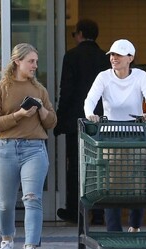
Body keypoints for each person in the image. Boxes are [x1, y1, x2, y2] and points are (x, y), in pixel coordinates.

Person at [84, 39, 146, 249]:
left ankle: (135, 226)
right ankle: (114, 240)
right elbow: (90, 100)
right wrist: (91, 115)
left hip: (136, 137)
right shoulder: (103, 77)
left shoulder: (140, 76)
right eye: (111, 55)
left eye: (118, 55)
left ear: (131, 58)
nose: (113, 58)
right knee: (111, 188)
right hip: (110, 138)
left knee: (137, 187)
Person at [0, 43, 57, 249]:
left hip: (35, 149)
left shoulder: (40, 90)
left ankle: (30, 247)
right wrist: (20, 114)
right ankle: (6, 240)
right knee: (5, 202)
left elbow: (52, 122)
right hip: (7, 149)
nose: (35, 66)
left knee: (32, 199)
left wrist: (42, 110)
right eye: (31, 61)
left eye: (36, 61)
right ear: (17, 61)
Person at [54, 19, 110, 224]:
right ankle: (99, 212)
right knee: (100, 165)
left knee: (76, 166)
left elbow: (66, 90)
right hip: (102, 122)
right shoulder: (105, 59)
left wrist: (60, 120)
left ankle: (75, 210)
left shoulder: (71, 56)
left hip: (76, 121)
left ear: (80, 34)